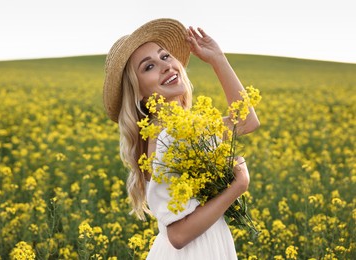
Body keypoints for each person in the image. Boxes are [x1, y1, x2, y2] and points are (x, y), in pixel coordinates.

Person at [103, 18, 259, 259]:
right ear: (139, 92)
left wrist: (217, 58)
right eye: (149, 67)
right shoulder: (166, 137)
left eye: (165, 57)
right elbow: (177, 235)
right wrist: (237, 187)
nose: (165, 66)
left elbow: (247, 121)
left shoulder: (183, 129)